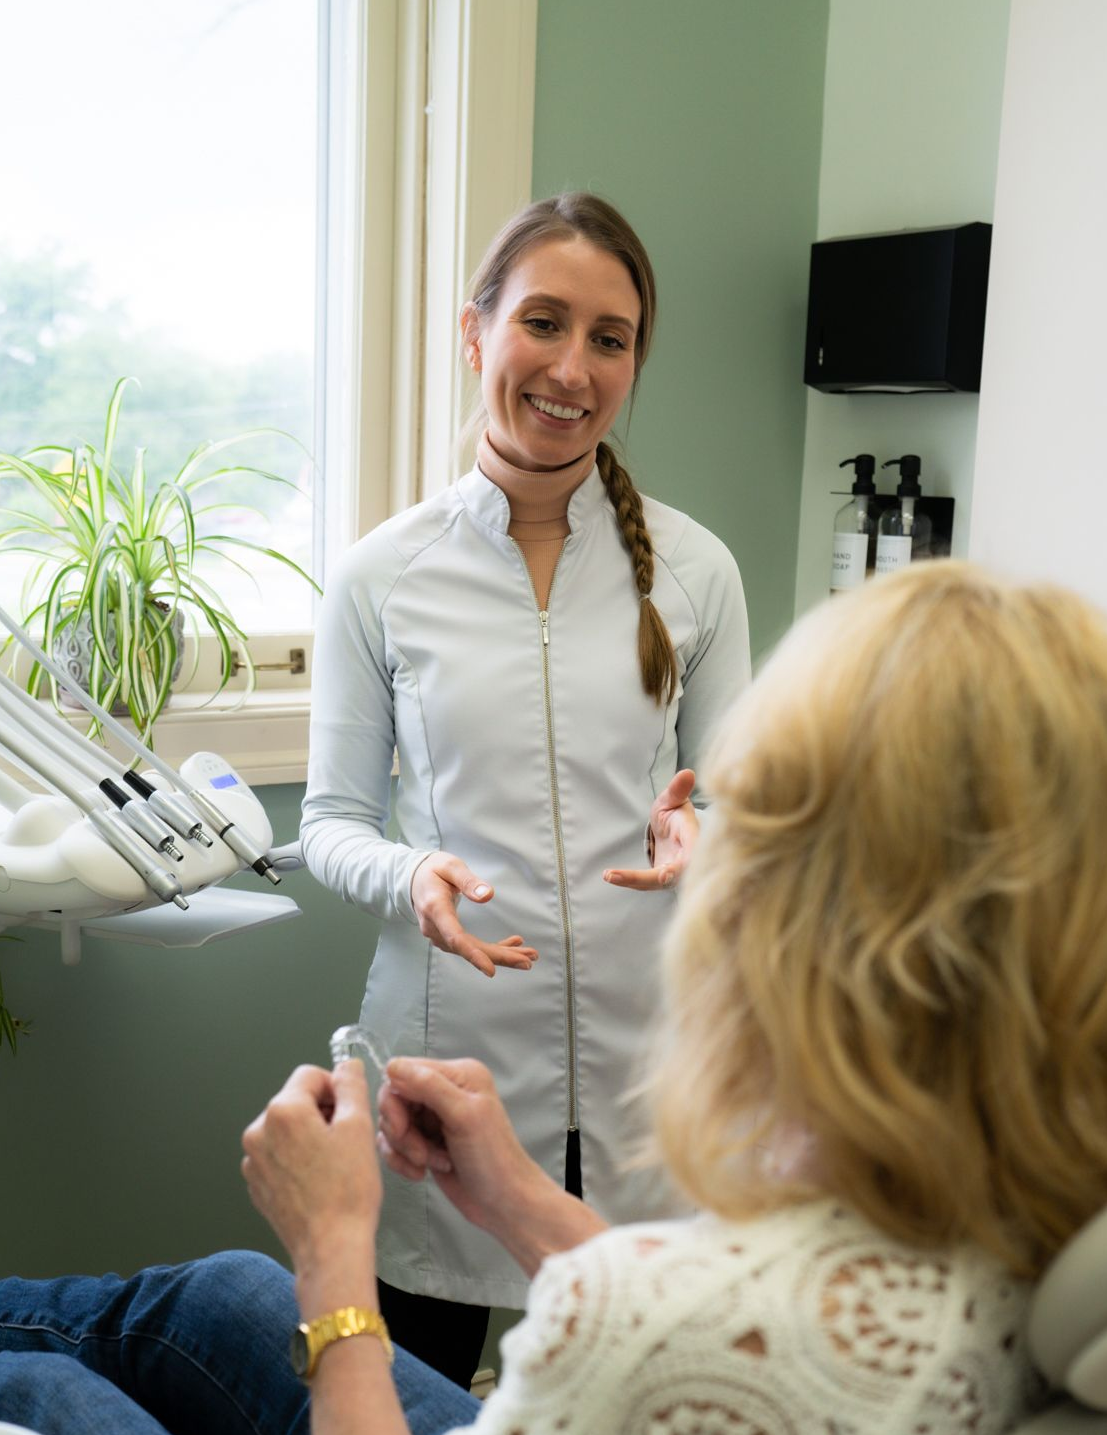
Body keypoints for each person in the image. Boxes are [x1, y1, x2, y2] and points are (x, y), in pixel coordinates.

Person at [0, 562, 1107, 1434]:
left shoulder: (629, 1329)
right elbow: (737, 1354)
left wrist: (336, 1258)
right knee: (214, 1301)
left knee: (41, 1386)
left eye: (725, 823)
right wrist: (518, 1200)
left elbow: (675, 1341)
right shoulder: (1090, 1221)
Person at [298, 191, 751, 1381]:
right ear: (474, 332)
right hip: (445, 1065)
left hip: (649, 1070)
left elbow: (740, 799)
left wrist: (705, 831)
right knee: (413, 1387)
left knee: (653, 1384)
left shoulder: (698, 569)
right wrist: (413, 872)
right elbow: (332, 824)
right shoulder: (382, 576)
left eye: (611, 337)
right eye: (542, 322)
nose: (572, 365)